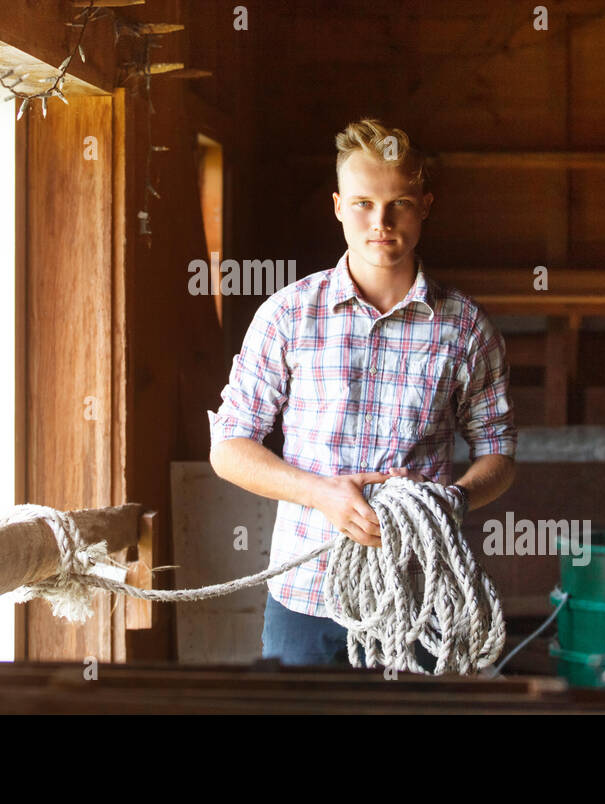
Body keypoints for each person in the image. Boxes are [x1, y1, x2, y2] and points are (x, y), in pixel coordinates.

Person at [207, 117, 518, 671]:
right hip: (306, 590)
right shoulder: (286, 316)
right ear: (336, 205)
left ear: (425, 204)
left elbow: (499, 452)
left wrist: (457, 499)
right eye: (362, 203)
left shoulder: (467, 328)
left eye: (398, 203)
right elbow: (229, 446)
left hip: (419, 594)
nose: (381, 222)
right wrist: (322, 494)